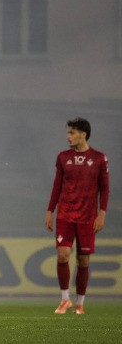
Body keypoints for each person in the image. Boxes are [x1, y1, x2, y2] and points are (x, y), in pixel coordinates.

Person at [45, 117, 109, 315]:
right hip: (65, 214)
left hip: (87, 217)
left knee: (83, 261)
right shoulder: (63, 157)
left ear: (83, 134)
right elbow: (57, 185)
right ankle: (65, 299)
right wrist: (50, 210)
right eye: (68, 132)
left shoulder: (99, 158)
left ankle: (80, 303)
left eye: (72, 133)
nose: (68, 136)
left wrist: (102, 213)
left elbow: (105, 189)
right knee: (62, 254)